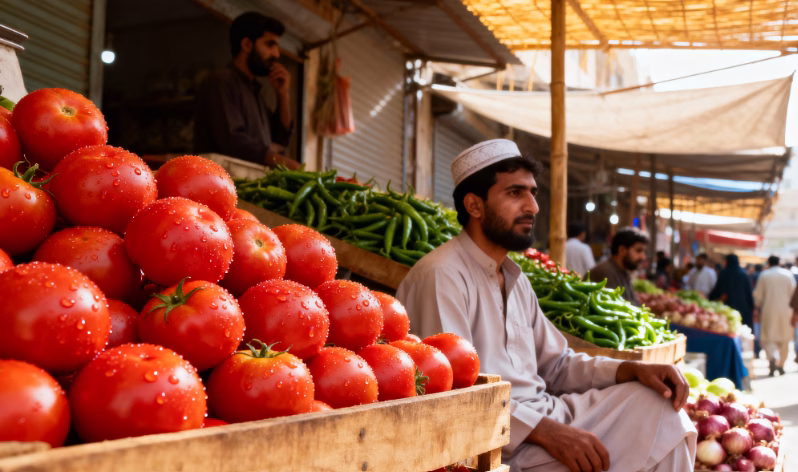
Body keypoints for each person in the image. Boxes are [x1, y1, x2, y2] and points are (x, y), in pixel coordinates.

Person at [397, 139, 695, 472]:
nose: (533, 207)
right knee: (651, 436)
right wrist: (545, 432)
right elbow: (449, 392)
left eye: (533, 193)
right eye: (515, 193)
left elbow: (558, 365)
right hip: (498, 442)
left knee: (659, 403)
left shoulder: (515, 278)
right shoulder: (442, 275)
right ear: (474, 205)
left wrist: (630, 370)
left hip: (546, 414)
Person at [194, 12, 298, 169]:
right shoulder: (221, 82)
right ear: (247, 45)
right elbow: (232, 141)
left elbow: (280, 140)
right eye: (270, 45)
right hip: (218, 184)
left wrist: (283, 94)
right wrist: (279, 161)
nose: (276, 54)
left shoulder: (254, 91)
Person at [753, 255, 796, 376]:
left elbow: (758, 296)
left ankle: (772, 359)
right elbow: (793, 294)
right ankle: (781, 364)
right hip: (786, 311)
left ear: (769, 263)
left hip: (768, 310)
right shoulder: (787, 275)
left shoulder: (764, 275)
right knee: (785, 338)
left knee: (769, 337)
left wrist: (757, 307)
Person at [586, 227, 649, 306]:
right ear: (622, 250)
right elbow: (617, 309)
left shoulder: (622, 271)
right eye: (638, 250)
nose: (643, 257)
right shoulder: (606, 273)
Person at [708, 254, 754, 334]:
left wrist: (709, 299)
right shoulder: (743, 274)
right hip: (743, 307)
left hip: (728, 307)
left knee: (730, 329)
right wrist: (751, 306)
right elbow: (749, 292)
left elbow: (717, 290)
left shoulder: (724, 273)